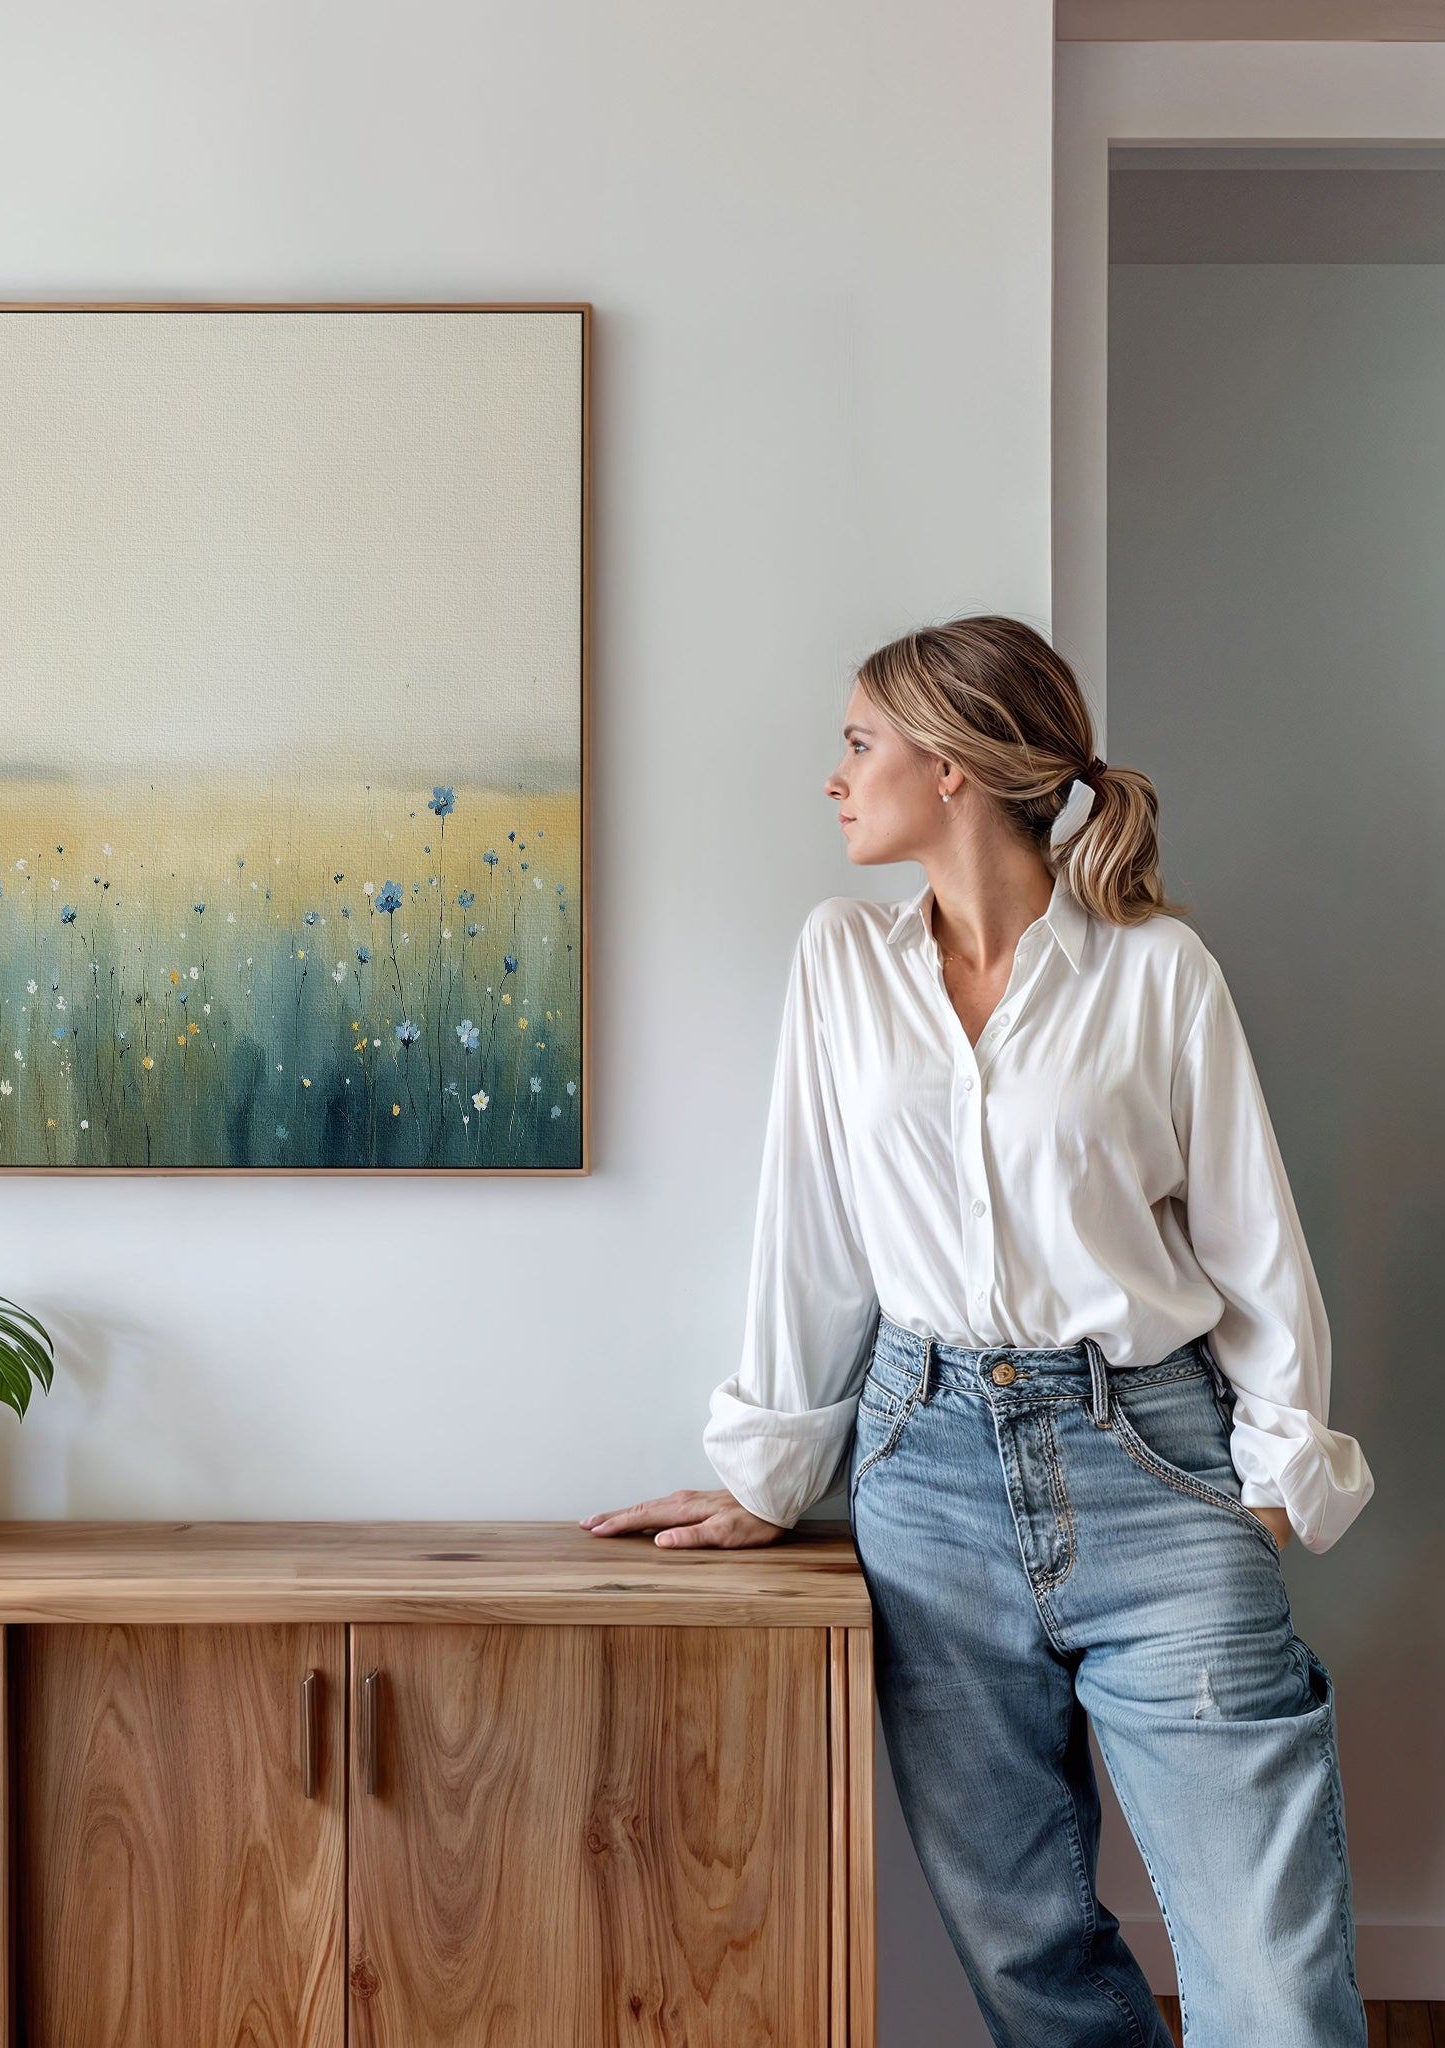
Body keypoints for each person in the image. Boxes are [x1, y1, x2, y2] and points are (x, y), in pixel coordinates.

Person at [581, 616, 1374, 2046]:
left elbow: (1255, 1243)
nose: (835, 777)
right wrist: (773, 1473)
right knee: (1029, 1960)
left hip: (1156, 1460)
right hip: (925, 1472)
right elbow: (808, 1232)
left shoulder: (1157, 972)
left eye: (858, 742)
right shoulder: (841, 963)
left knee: (1271, 1973)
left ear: (951, 768)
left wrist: (1270, 1479)